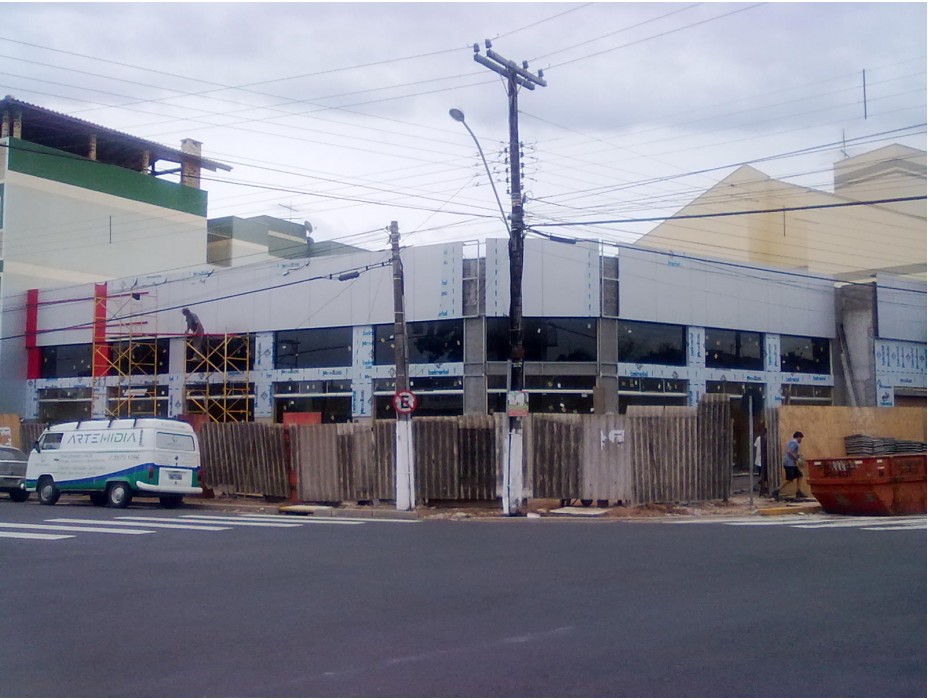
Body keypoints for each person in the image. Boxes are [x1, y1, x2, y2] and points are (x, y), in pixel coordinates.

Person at [776, 430, 804, 502]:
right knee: (789, 479)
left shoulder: (789, 442)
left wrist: (797, 456)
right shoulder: (795, 443)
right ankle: (776, 490)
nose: (801, 440)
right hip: (790, 463)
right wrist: (797, 459)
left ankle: (798, 491)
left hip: (789, 463)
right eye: (801, 438)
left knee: (799, 475)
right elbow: (789, 452)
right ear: (798, 437)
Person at [754, 424, 768, 496]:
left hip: (758, 459)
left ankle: (762, 488)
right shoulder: (765, 439)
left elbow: (755, 446)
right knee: (764, 475)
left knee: (761, 474)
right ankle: (763, 488)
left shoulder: (758, 438)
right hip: (763, 460)